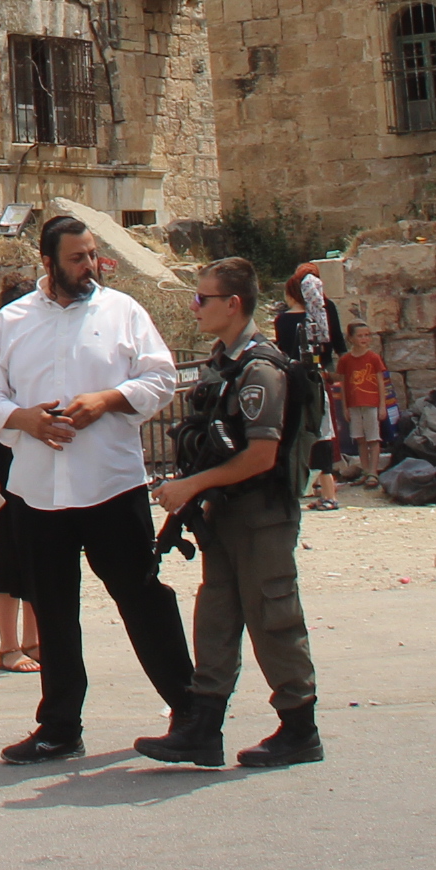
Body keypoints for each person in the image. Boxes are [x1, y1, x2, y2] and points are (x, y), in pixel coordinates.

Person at [0, 213, 194, 765]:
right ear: (48, 262)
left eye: (92, 254)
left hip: (111, 486)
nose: (89, 265)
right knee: (53, 608)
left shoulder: (123, 312)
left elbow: (163, 377)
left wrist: (108, 401)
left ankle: (191, 709)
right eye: (76, 257)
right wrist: (23, 418)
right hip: (39, 493)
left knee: (141, 597)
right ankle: (60, 725)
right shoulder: (12, 321)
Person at [136, 257, 322, 769]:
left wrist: (192, 485)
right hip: (224, 513)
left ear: (233, 304)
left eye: (203, 299)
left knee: (273, 616)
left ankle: (299, 727)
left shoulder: (261, 368)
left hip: (262, 515)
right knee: (216, 617)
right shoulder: (224, 362)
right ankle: (203, 727)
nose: (195, 308)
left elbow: (262, 455)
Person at [0, 425, 43, 672]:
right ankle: (8, 646)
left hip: (35, 462)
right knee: (6, 552)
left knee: (36, 552)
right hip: (6, 465)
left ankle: (32, 640)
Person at [291, 263, 343, 511]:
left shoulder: (288, 318)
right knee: (324, 430)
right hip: (320, 376)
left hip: (301, 381)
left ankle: (320, 489)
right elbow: (335, 342)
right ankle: (323, 488)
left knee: (311, 432)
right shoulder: (326, 308)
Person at [333, 322, 391, 486]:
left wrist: (382, 405)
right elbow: (343, 385)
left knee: (373, 438)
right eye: (360, 335)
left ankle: (373, 472)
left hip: (371, 403)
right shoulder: (345, 360)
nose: (364, 339)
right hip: (354, 404)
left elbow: (381, 382)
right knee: (360, 439)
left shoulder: (373, 358)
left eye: (367, 335)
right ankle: (365, 471)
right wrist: (344, 407)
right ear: (350, 338)